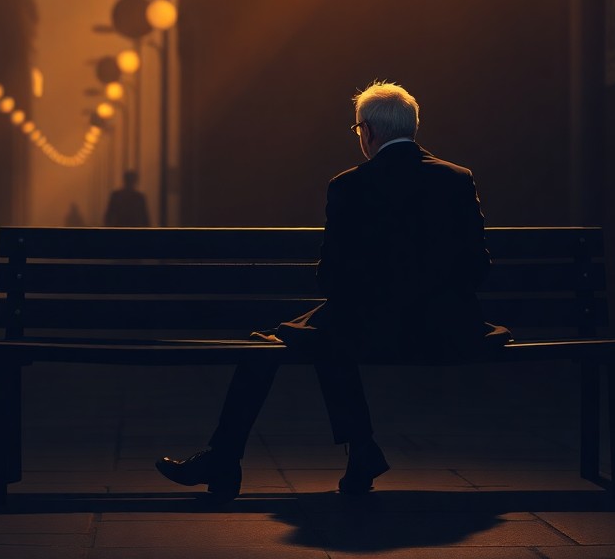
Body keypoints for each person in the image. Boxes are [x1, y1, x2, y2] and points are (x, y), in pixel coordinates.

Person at [156, 81, 505, 501]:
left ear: (368, 132)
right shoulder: (457, 179)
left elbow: (332, 279)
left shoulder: (349, 185)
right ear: (412, 128)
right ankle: (358, 453)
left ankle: (230, 458)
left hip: (369, 329)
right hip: (449, 328)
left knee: (283, 343)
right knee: (322, 333)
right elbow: (478, 265)